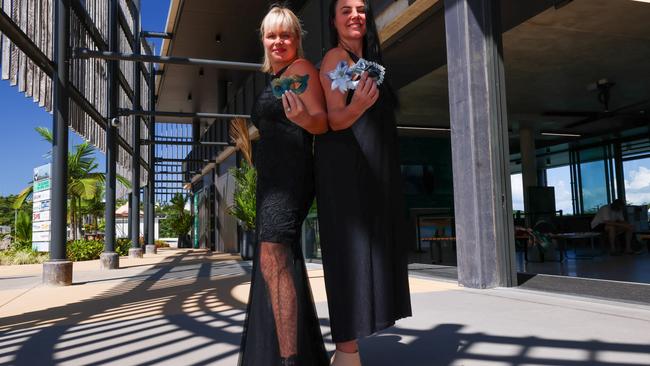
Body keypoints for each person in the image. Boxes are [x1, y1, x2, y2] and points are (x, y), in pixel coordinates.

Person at [314, 0, 412, 364]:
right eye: (346, 10)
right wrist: (359, 107)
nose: (355, 15)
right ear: (334, 21)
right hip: (347, 177)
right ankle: (346, 353)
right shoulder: (334, 59)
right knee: (349, 259)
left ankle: (349, 352)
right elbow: (335, 118)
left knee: (366, 257)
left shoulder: (366, 63)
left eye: (361, 9)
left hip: (372, 176)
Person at [238, 5, 329, 366]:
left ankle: (291, 359)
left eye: (285, 34)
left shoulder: (302, 70)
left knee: (274, 257)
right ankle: (290, 351)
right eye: (272, 35)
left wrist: (303, 117)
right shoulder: (275, 78)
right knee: (274, 261)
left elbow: (320, 122)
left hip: (291, 180)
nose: (278, 41)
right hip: (270, 180)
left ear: (297, 40)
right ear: (263, 40)